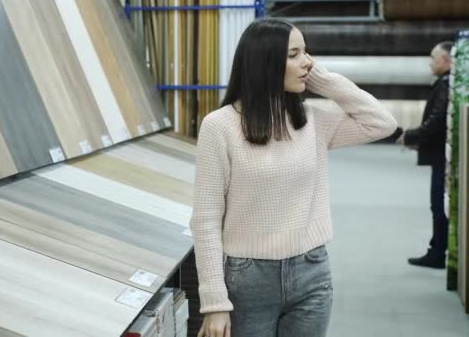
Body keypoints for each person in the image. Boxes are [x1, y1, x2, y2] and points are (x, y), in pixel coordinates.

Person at [189, 18, 397, 337]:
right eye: (294, 54)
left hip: (311, 271)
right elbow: (205, 219)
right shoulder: (220, 127)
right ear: (265, 62)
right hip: (248, 278)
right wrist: (214, 302)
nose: (307, 62)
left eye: (306, 52)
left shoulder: (310, 122)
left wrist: (323, 80)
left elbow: (381, 123)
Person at [396, 41, 453, 269]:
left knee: (439, 205)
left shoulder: (446, 84)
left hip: (442, 158)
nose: (430, 63)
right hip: (441, 153)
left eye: (433, 58)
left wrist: (411, 136)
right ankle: (437, 249)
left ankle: (438, 252)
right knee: (439, 205)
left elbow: (437, 123)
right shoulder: (445, 83)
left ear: (446, 60)